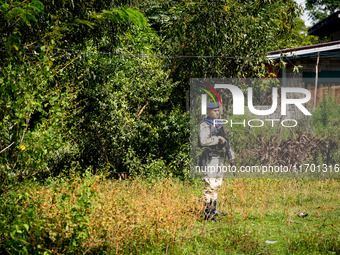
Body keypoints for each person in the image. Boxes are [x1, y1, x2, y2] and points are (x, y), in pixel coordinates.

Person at [199, 102, 235, 221]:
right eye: (214, 111)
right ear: (208, 111)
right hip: (210, 157)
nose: (217, 113)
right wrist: (217, 139)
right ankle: (207, 213)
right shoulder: (205, 125)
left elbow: (227, 141)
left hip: (221, 157)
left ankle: (213, 209)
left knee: (217, 184)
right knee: (209, 184)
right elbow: (203, 141)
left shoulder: (219, 124)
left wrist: (231, 153)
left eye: (218, 111)